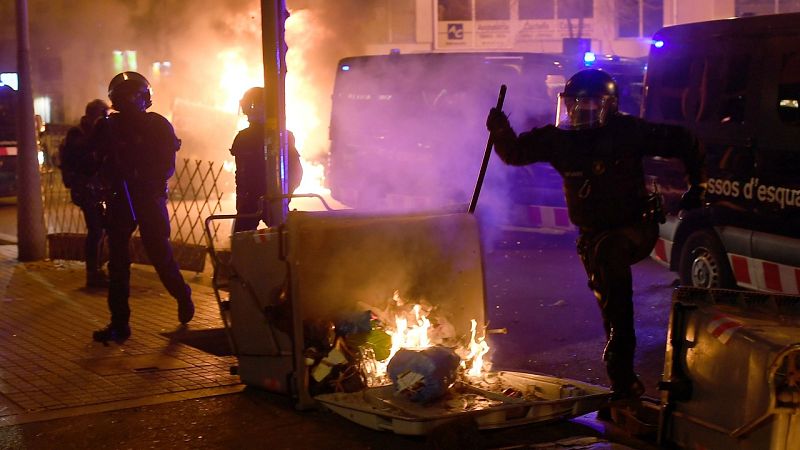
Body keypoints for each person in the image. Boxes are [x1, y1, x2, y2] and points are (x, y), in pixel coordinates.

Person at [486, 69, 707, 401]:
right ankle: (621, 373)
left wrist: (697, 185)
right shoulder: (559, 139)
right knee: (608, 297)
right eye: (574, 104)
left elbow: (685, 141)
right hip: (592, 236)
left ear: (610, 106)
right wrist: (501, 131)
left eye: (590, 104)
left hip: (632, 229)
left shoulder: (629, 132)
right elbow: (516, 153)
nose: (581, 111)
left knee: (615, 287)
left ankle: (622, 376)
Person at [88, 71, 194, 344]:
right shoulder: (107, 127)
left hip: (148, 197)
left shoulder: (158, 125)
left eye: (133, 95)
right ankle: (119, 324)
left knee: (159, 253)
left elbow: (166, 166)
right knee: (118, 265)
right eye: (124, 96)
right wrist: (103, 179)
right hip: (120, 200)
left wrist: (138, 176)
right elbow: (95, 161)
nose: (129, 101)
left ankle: (182, 295)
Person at [230, 86, 303, 232]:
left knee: (280, 242)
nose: (250, 112)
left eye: (254, 106)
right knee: (248, 240)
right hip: (254, 201)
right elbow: (241, 173)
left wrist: (284, 196)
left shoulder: (282, 137)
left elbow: (295, 171)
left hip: (270, 199)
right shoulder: (244, 138)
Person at [59, 99, 110, 288]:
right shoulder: (77, 133)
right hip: (85, 189)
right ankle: (92, 273)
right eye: (103, 115)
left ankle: (99, 268)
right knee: (96, 229)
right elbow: (82, 155)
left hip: (99, 188)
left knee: (104, 229)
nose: (105, 119)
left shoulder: (96, 132)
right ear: (93, 115)